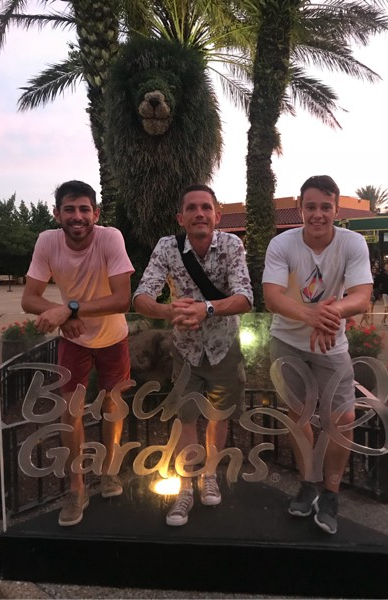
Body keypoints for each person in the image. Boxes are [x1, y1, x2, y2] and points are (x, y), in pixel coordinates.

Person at [133, 183, 253, 527]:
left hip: (223, 347)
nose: (199, 213)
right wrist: (169, 312)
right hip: (185, 350)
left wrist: (206, 308)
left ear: (217, 215)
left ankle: (209, 474)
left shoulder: (232, 245)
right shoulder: (167, 247)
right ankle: (185, 485)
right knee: (186, 418)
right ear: (181, 218)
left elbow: (245, 297)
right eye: (192, 208)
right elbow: (142, 296)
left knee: (218, 416)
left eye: (205, 207)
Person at [262, 175, 372, 535]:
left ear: (336, 209)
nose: (318, 214)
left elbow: (361, 296)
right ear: (300, 208)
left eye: (326, 207)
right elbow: (272, 297)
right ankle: (308, 483)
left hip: (331, 343)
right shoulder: (282, 244)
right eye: (311, 207)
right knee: (299, 415)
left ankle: (331, 493)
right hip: (286, 340)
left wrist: (330, 316)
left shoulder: (352, 243)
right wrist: (312, 317)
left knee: (343, 417)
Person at [21, 180, 134, 527]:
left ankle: (109, 471)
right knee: (71, 412)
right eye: (69, 209)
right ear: (56, 214)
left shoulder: (110, 238)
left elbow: (122, 299)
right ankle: (76, 487)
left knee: (113, 406)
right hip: (75, 339)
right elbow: (29, 298)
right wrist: (66, 317)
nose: (77, 216)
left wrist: (69, 309)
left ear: (96, 214)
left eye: (84, 209)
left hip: (113, 336)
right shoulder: (47, 241)